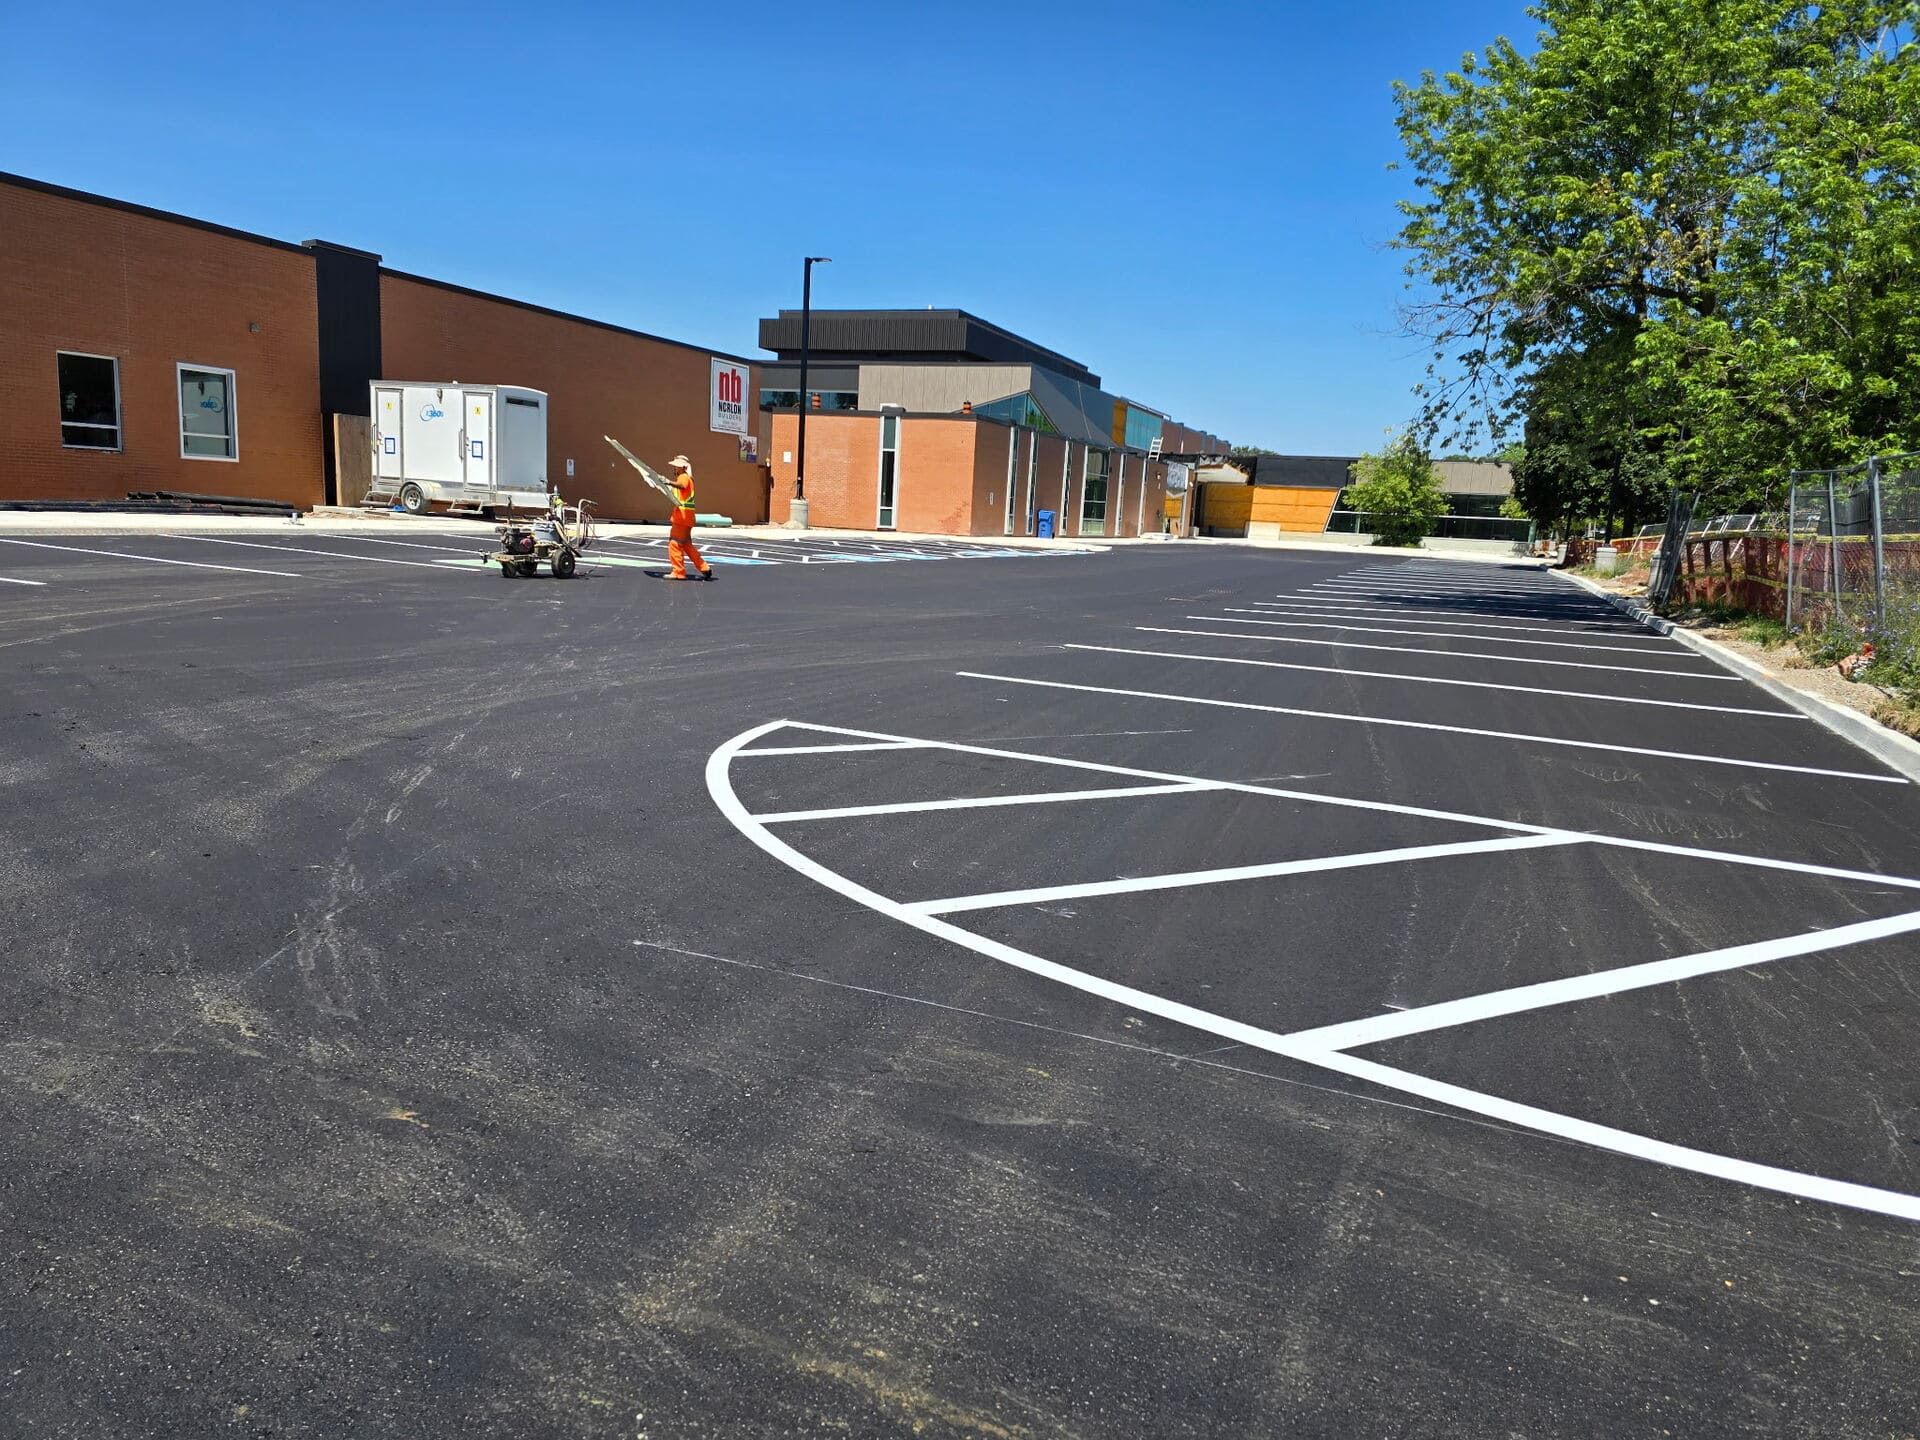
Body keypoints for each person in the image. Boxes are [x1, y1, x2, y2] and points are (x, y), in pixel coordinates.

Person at [663, 454, 714, 582]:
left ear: (682, 467)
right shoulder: (687, 478)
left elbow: (681, 485)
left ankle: (678, 572)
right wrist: (668, 485)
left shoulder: (684, 477)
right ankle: (704, 568)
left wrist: (668, 482)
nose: (675, 468)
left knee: (674, 543)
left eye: (676, 466)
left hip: (682, 517)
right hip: (687, 517)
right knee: (686, 544)